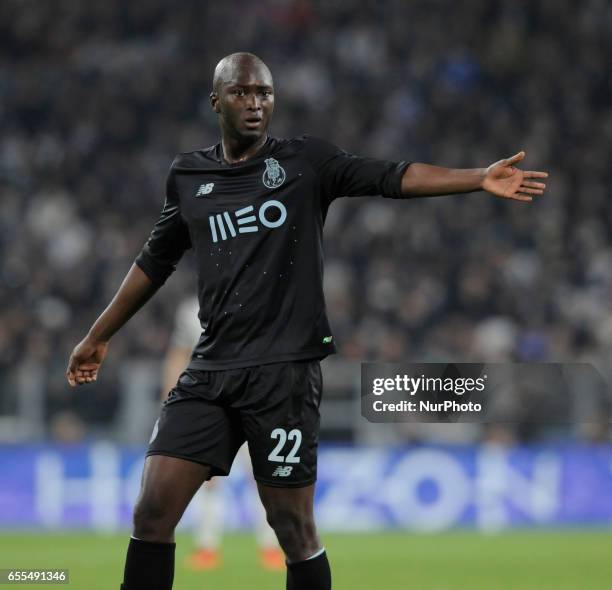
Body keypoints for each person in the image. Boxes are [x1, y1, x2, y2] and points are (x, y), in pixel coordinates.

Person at [66, 52, 548, 590]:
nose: (255, 103)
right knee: (151, 512)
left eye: (264, 93)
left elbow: (391, 177)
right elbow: (155, 260)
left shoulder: (305, 163)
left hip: (284, 375)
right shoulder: (188, 174)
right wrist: (97, 336)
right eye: (242, 93)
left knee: (292, 529)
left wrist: (477, 177)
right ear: (216, 101)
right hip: (211, 371)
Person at [162, 296, 284, 571]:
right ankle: (207, 548)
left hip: (253, 404)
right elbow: (178, 355)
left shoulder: (258, 302)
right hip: (208, 407)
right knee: (207, 479)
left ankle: (271, 547)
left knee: (263, 477)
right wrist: (171, 398)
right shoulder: (192, 309)